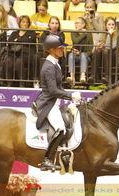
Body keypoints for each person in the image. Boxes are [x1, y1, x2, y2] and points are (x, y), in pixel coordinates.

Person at [34, 34, 81, 171]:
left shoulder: (55, 63)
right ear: (52, 49)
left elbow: (57, 86)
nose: (62, 50)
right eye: (60, 48)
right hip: (48, 104)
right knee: (61, 129)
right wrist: (71, 95)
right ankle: (46, 159)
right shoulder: (49, 67)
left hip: (55, 102)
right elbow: (54, 91)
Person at [2, 15, 36, 86]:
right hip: (14, 53)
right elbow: (10, 43)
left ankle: (22, 83)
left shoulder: (32, 33)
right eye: (23, 22)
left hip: (27, 54)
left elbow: (29, 41)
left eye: (27, 22)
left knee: (19, 61)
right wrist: (21, 43)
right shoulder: (14, 33)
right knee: (8, 60)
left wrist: (17, 41)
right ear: (19, 23)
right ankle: (9, 83)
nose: (25, 24)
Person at [89, 16, 119, 84]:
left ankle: (107, 77)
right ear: (105, 25)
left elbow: (110, 47)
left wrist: (109, 35)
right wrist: (97, 46)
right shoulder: (101, 34)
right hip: (101, 58)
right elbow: (93, 51)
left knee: (105, 50)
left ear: (115, 26)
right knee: (98, 50)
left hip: (114, 59)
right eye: (109, 24)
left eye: (113, 24)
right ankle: (93, 77)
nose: (111, 26)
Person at [67, 17, 93, 84]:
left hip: (86, 57)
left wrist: (81, 53)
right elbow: (76, 41)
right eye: (75, 23)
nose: (76, 25)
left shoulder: (89, 34)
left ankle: (83, 76)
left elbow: (90, 49)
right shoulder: (73, 33)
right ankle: (72, 77)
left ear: (83, 24)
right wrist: (84, 33)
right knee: (71, 55)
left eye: (78, 23)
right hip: (76, 55)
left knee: (83, 55)